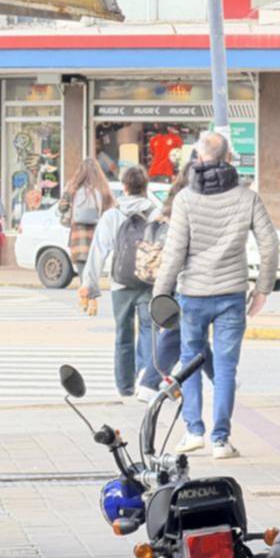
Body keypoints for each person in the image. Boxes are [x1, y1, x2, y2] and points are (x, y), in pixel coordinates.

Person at [154, 132, 278, 459]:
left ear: (197, 156)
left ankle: (194, 431)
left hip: (192, 295)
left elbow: (174, 252)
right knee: (225, 368)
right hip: (231, 295)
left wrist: (160, 294)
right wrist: (263, 289)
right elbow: (269, 243)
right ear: (228, 158)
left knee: (190, 361)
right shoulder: (246, 197)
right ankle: (221, 440)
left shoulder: (184, 200)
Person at [136, 161, 214, 402]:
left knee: (192, 332)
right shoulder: (189, 204)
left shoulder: (172, 202)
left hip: (172, 276)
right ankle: (149, 381)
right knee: (178, 330)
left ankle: (216, 375)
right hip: (182, 277)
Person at [79, 165, 156, 398]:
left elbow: (98, 251)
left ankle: (124, 386)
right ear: (145, 187)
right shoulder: (156, 213)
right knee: (148, 331)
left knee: (123, 334)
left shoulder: (112, 215)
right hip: (149, 282)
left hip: (121, 284)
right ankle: (145, 378)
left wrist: (89, 285)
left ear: (124, 187)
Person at [59, 157, 115, 279]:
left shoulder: (72, 187)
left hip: (78, 237)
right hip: (97, 236)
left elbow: (62, 208)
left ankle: (86, 296)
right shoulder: (103, 188)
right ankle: (90, 295)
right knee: (93, 274)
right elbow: (111, 212)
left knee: (82, 273)